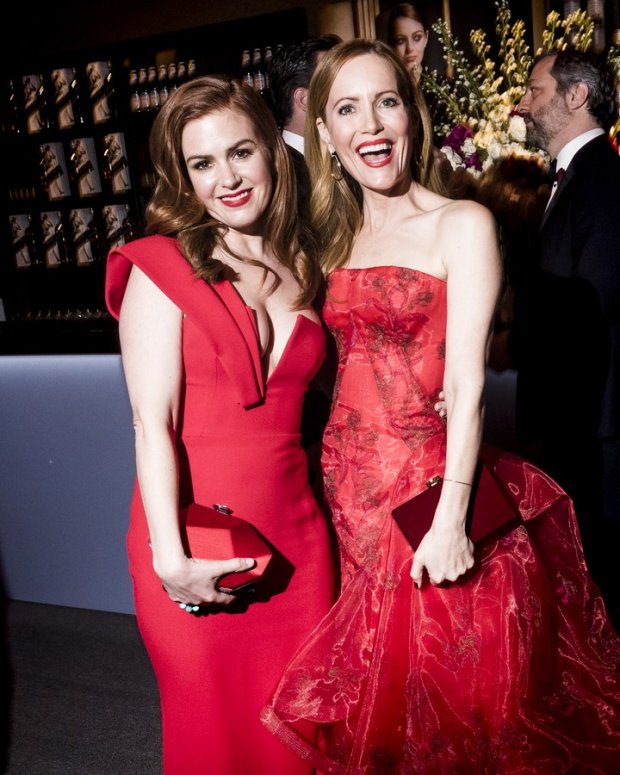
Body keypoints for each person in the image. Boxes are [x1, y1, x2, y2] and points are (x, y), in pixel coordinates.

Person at [260, 39, 620, 772]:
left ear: (412, 115)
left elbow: (468, 384)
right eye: (348, 109)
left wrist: (453, 517)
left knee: (454, 708)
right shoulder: (322, 239)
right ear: (323, 130)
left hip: (428, 492)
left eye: (386, 102)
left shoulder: (462, 223)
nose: (370, 125)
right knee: (383, 704)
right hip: (347, 492)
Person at [104, 75, 335, 775]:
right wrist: (169, 558)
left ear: (270, 149)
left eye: (240, 153)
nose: (227, 178)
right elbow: (150, 423)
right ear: (183, 176)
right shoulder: (160, 266)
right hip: (192, 541)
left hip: (300, 546)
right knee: (213, 740)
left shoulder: (307, 263)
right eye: (202, 163)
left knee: (303, 742)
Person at [515, 48, 620, 630]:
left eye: (535, 90)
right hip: (579, 414)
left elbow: (593, 304)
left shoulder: (602, 180)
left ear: (575, 96)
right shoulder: (578, 176)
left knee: (604, 575)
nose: (523, 104)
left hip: (595, 419)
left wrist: (511, 346)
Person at [387, 2, 429, 83]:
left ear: (426, 38)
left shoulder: (447, 87)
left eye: (417, 38)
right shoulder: (387, 87)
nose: (410, 48)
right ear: (391, 45)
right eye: (400, 41)